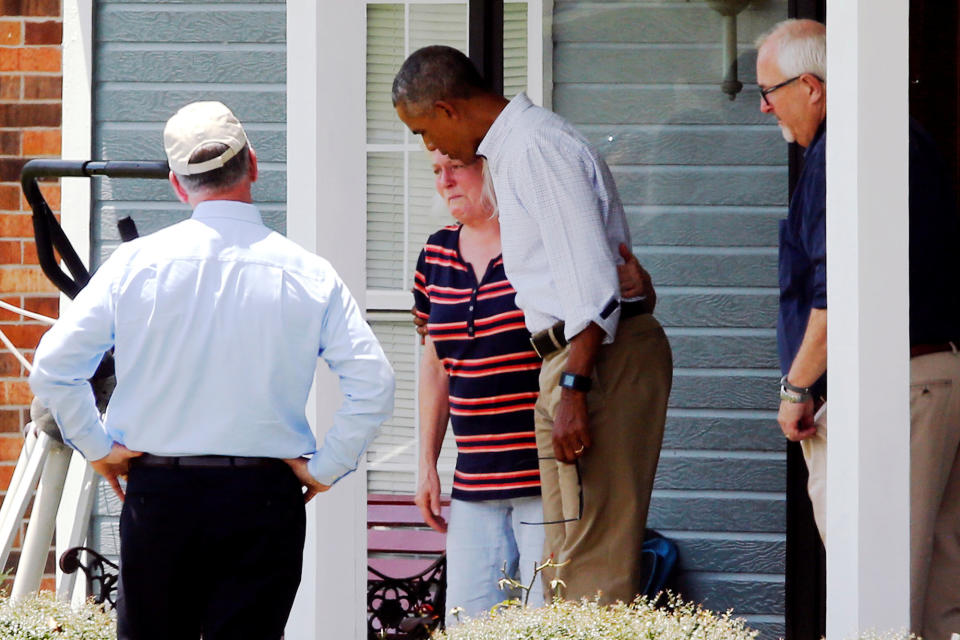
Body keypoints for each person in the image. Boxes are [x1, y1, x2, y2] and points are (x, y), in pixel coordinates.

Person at [29, 101, 395, 640]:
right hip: (263, 496)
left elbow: (55, 367)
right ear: (252, 163)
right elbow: (375, 384)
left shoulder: (135, 264)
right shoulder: (308, 272)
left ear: (178, 186)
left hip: (161, 493)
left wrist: (99, 447)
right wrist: (327, 465)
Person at [393, 46, 673, 605]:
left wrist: (573, 387)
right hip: (572, 361)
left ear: (448, 109)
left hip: (593, 362)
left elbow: (591, 289)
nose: (431, 149)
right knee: (565, 560)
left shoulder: (534, 148)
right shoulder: (516, 149)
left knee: (591, 557)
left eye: (424, 130)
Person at [758, 20, 960, 640]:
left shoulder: (842, 153)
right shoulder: (895, 138)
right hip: (926, 380)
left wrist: (796, 388)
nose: (765, 107)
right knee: (932, 597)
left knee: (871, 588)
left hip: (890, 390)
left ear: (812, 87)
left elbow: (836, 294)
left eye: (770, 91)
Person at [414, 150, 545, 617]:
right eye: (436, 172)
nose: (445, 181)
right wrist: (427, 463)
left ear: (492, 167)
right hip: (472, 484)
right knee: (469, 622)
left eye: (456, 167)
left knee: (546, 622)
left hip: (545, 478)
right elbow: (435, 365)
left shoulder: (536, 246)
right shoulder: (435, 254)